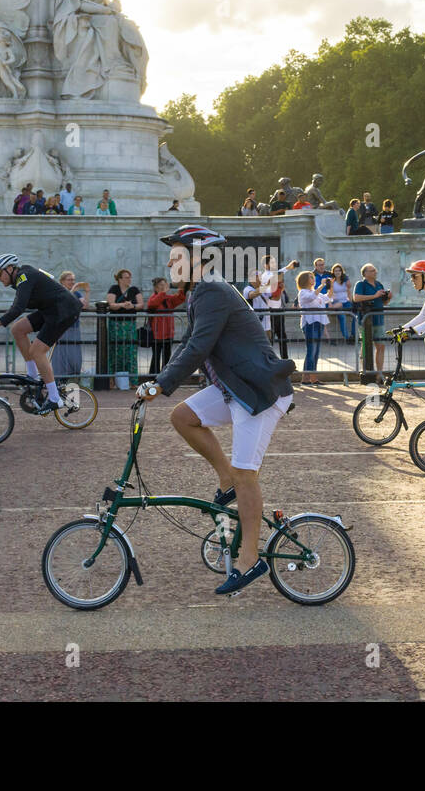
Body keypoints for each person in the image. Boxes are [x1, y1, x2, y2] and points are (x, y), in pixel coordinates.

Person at [137, 224, 296, 597]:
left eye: (177, 256)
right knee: (183, 417)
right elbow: (189, 345)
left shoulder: (212, 290)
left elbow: (197, 349)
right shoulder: (201, 293)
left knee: (246, 474)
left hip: (258, 392)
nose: (170, 262)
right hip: (235, 388)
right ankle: (225, 480)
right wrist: (158, 379)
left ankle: (250, 558)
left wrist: (161, 384)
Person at [0, 255, 84, 412]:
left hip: (63, 311)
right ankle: (33, 375)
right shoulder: (22, 279)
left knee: (37, 351)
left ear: (10, 269)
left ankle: (54, 398)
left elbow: (17, 309)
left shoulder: (24, 277)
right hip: (50, 310)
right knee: (17, 329)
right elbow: (18, 305)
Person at [353, 264, 391, 382]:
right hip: (365, 320)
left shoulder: (379, 284)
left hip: (379, 319)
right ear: (365, 273)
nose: (375, 272)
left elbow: (383, 303)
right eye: (372, 270)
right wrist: (374, 295)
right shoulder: (360, 284)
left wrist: (388, 297)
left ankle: (379, 373)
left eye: (375, 270)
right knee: (366, 346)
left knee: (381, 346)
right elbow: (356, 298)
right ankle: (366, 371)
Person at [105, 269, 142, 387]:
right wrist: (122, 305)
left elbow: (141, 304)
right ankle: (111, 380)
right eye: (126, 277)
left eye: (130, 277)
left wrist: (133, 306)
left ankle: (133, 382)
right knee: (114, 351)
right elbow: (111, 304)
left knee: (130, 352)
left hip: (130, 325)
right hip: (115, 325)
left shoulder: (134, 289)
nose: (129, 279)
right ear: (120, 279)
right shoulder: (114, 289)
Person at [50, 271, 91, 379]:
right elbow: (65, 302)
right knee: (60, 356)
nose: (72, 282)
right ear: (62, 281)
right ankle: (59, 379)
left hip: (74, 327)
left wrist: (87, 292)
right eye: (69, 280)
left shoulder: (77, 293)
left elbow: (85, 306)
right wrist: (73, 290)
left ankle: (73, 378)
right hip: (61, 328)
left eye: (73, 280)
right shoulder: (58, 291)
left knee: (74, 355)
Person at [146, 276, 189, 375]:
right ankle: (153, 376)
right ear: (155, 287)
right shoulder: (154, 297)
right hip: (157, 333)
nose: (164, 287)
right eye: (161, 285)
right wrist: (163, 292)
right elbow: (152, 304)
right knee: (156, 356)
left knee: (167, 356)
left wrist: (181, 288)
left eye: (165, 284)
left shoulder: (168, 299)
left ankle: (165, 375)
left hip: (168, 332)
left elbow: (180, 299)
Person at [296, 270, 333, 383]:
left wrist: (330, 286)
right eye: (311, 277)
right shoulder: (303, 292)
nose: (314, 279)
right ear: (305, 280)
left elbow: (328, 298)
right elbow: (312, 297)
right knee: (311, 350)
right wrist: (321, 285)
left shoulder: (316, 292)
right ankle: (306, 378)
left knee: (315, 351)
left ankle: (312, 378)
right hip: (310, 324)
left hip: (319, 323)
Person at [329, 263, 354, 343]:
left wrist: (351, 302)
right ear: (333, 272)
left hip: (346, 301)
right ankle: (347, 338)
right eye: (335, 271)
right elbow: (330, 293)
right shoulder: (332, 281)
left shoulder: (345, 281)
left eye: (339, 270)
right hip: (337, 302)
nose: (337, 272)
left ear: (341, 271)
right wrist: (331, 303)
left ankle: (353, 335)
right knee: (342, 316)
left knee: (356, 314)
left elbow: (349, 292)